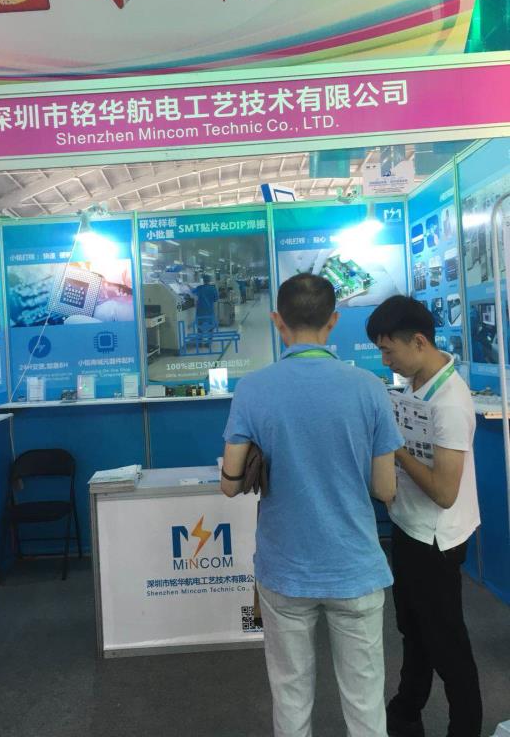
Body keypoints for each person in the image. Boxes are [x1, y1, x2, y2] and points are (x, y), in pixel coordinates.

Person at [221, 273, 403, 737]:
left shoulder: (253, 388)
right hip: (355, 566)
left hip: (285, 568)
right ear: (334, 321)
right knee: (365, 702)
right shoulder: (369, 387)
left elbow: (230, 484)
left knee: (290, 693)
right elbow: (385, 488)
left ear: (277, 321)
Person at [366, 295, 482, 737]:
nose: (385, 360)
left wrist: (395, 448)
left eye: (388, 350)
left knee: (447, 644)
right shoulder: (416, 382)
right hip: (408, 526)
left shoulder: (449, 402)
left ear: (418, 341)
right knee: (413, 631)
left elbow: (445, 492)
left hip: (436, 539)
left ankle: (464, 727)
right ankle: (406, 713)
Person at [192, 274, 218, 343]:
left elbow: (192, 292)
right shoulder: (213, 288)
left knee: (200, 326)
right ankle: (209, 341)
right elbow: (216, 299)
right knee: (211, 326)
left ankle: (200, 341)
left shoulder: (199, 288)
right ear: (209, 280)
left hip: (200, 311)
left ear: (203, 280)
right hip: (209, 310)